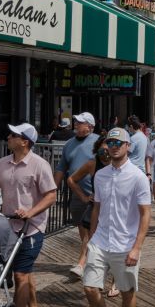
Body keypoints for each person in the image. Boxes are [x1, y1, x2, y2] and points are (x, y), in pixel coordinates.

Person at [83, 127, 152, 307]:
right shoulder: (100, 175)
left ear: (127, 147)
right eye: (110, 142)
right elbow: (97, 208)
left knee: (127, 291)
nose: (113, 146)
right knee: (90, 288)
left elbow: (145, 214)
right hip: (101, 240)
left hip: (125, 243)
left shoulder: (138, 176)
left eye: (118, 143)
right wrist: (90, 238)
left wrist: (137, 247)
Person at [0, 122, 57, 307]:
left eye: (13, 135)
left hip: (31, 228)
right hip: (6, 227)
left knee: (20, 274)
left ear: (24, 141)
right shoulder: (2, 163)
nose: (8, 137)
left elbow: (51, 195)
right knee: (24, 273)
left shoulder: (39, 165)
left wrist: (31, 212)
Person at [68, 139, 120, 307]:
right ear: (97, 150)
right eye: (102, 149)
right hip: (95, 209)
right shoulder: (92, 164)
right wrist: (83, 197)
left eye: (109, 148)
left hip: (115, 212)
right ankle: (94, 293)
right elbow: (71, 180)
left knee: (115, 248)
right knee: (94, 247)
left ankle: (115, 282)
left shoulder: (118, 163)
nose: (106, 151)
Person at [55, 113, 100, 279]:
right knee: (83, 229)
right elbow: (61, 167)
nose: (76, 124)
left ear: (90, 126)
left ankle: (82, 263)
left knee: (89, 230)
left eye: (80, 122)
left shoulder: (98, 141)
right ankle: (89, 258)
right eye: (76, 121)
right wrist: (53, 189)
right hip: (77, 193)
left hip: (96, 194)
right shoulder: (69, 144)